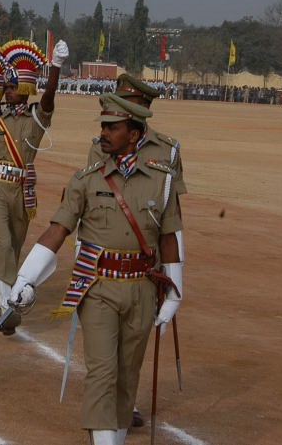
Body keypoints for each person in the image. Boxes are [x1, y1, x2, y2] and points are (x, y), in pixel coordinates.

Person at [9, 93, 184, 445]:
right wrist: (26, 278)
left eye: (112, 127)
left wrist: (175, 294)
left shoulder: (162, 180)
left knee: (126, 375)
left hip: (142, 288)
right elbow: (58, 229)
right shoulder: (85, 180)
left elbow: (168, 236)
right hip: (99, 287)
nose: (103, 132)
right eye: (103, 126)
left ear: (134, 135)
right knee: (103, 372)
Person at [0, 39, 67, 331]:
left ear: (23, 88)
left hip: (23, 191)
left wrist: (56, 67)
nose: (6, 92)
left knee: (14, 248)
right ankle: (9, 308)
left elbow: (48, 100)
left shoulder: (36, 118)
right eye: (6, 87)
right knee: (2, 245)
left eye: (11, 87)